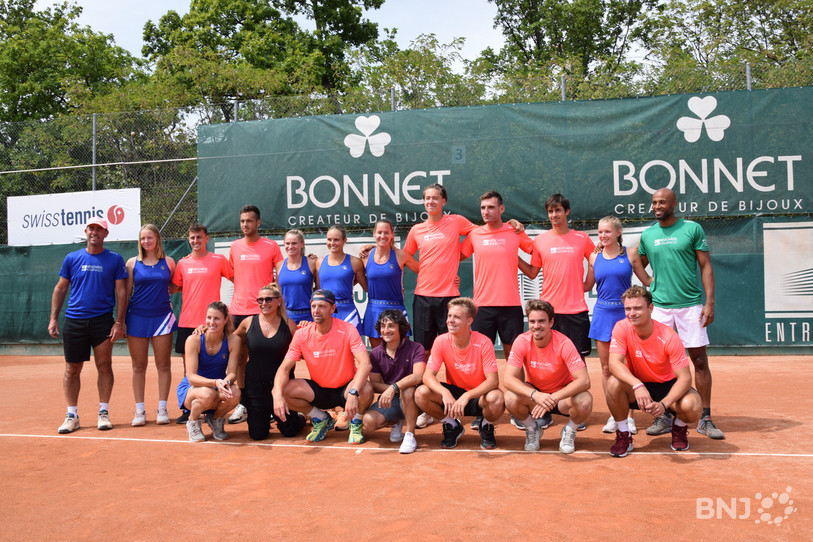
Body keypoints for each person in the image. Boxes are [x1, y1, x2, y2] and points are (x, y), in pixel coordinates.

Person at [637, 188, 724, 440]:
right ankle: (665, 414)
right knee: (659, 364)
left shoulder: (692, 229)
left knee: (699, 360)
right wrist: (648, 282)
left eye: (662, 202)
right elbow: (637, 261)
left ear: (674, 204)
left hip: (690, 306)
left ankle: (705, 417)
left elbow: (705, 265)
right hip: (660, 308)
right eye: (654, 202)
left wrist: (709, 302)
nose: (656, 206)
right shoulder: (648, 234)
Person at [518, 193, 594, 431]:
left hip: (576, 310)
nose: (554, 215)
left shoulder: (582, 238)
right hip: (548, 312)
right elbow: (532, 272)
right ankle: (545, 411)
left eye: (558, 210)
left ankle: (575, 411)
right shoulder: (540, 240)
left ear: (567, 212)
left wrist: (588, 282)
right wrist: (513, 256)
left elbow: (596, 261)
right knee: (544, 363)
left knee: (577, 363)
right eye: (550, 211)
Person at [460, 190, 533, 429]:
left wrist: (520, 229)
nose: (486, 211)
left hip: (510, 305)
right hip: (482, 307)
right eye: (483, 208)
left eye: (491, 207)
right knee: (482, 360)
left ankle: (519, 408)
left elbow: (535, 250)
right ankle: (483, 409)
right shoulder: (475, 234)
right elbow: (454, 255)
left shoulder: (514, 231)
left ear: (501, 209)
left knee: (515, 358)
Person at [49, 218, 128, 433]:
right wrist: (53, 318)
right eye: (91, 228)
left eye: (99, 229)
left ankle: (103, 412)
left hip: (102, 321)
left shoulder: (115, 259)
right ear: (86, 231)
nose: (94, 232)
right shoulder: (72, 258)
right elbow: (60, 288)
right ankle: (72, 415)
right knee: (72, 369)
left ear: (105, 234)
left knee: (104, 365)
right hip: (74, 321)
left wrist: (119, 322)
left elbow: (121, 291)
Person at [606, 286, 702, 457]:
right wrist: (637, 385)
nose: (632, 313)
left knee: (693, 405)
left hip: (668, 386)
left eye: (637, 308)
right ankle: (623, 435)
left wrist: (664, 404)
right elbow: (613, 363)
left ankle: (679, 427)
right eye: (628, 309)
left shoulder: (669, 336)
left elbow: (685, 378)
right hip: (639, 386)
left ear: (650, 308)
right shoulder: (621, 327)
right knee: (613, 383)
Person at [272, 289, 374, 445]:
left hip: (346, 389)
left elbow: (365, 363)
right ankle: (321, 419)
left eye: (322, 306)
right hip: (319, 390)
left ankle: (356, 421)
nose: (316, 310)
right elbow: (284, 368)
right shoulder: (301, 334)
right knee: (284, 389)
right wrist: (277, 394)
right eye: (313, 306)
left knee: (365, 389)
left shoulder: (347, 329)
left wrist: (353, 393)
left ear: (332, 309)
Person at [414, 298, 505, 450]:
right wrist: (444, 393)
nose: (450, 320)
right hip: (454, 395)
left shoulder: (483, 342)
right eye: (449, 316)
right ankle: (451, 425)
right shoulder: (441, 341)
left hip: (479, 395)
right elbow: (427, 376)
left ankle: (486, 426)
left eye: (456, 317)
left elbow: (493, 381)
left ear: (469, 321)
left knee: (496, 398)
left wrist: (468, 396)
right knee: (421, 393)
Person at [504, 300, 593, 453]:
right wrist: (536, 395)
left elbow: (584, 381)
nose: (536, 326)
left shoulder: (564, 343)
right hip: (536, 396)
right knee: (510, 397)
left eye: (541, 321)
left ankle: (570, 430)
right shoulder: (521, 341)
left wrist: (554, 397)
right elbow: (508, 379)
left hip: (562, 396)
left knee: (585, 400)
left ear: (551, 322)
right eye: (532, 321)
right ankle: (533, 428)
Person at [584, 216, 645, 435]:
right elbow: (587, 285)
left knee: (626, 367)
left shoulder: (631, 254)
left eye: (607, 231)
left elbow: (647, 281)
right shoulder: (594, 256)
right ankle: (614, 414)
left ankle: (629, 417)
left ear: (618, 232)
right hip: (602, 315)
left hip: (625, 315)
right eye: (600, 232)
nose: (603, 235)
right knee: (606, 368)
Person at [227, 205, 283, 425]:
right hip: (238, 311)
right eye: (242, 221)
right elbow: (234, 276)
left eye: (249, 221)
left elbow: (281, 276)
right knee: (240, 358)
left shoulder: (271, 246)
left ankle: (270, 402)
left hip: (263, 311)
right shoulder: (234, 246)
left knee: (267, 358)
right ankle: (243, 403)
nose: (245, 224)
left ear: (258, 223)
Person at [171, 223, 232, 423]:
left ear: (207, 238)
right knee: (189, 369)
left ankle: (215, 405)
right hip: (188, 321)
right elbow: (175, 287)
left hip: (212, 322)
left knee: (216, 365)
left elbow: (236, 277)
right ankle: (189, 407)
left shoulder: (218, 260)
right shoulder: (182, 263)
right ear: (189, 240)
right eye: (192, 238)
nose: (195, 241)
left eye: (199, 237)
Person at [234, 284, 305, 440]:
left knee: (290, 431)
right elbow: (229, 339)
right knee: (258, 434)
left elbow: (307, 349)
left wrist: (310, 328)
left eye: (268, 299)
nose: (264, 303)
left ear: (278, 301)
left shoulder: (289, 325)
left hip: (282, 388)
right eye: (260, 300)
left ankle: (300, 416)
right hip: (255, 388)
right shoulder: (248, 323)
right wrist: (205, 329)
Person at [124, 224, 177, 426]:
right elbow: (126, 293)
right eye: (143, 238)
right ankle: (139, 410)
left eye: (149, 238)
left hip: (162, 318)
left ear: (157, 239)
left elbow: (174, 286)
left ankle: (162, 408)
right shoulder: (132, 263)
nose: (146, 241)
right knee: (138, 366)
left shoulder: (169, 262)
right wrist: (121, 321)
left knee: (163, 365)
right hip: (136, 317)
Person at [362, 310, 426, 454]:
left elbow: (418, 376)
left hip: (416, 399)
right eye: (383, 326)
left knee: (407, 390)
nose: (386, 330)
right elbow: (375, 384)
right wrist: (392, 390)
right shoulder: (376, 353)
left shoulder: (416, 348)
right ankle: (396, 421)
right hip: (392, 399)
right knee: (368, 421)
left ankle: (410, 435)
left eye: (391, 326)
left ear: (400, 328)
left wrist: (394, 388)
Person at [178, 301, 241, 442]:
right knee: (207, 394)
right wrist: (215, 382)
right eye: (209, 318)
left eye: (217, 318)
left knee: (235, 393)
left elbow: (232, 373)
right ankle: (193, 421)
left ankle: (215, 419)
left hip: (218, 386)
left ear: (225, 320)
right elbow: (191, 377)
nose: (211, 322)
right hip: (193, 389)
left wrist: (225, 382)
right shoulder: (193, 340)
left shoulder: (233, 340)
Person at [361, 219, 418, 349]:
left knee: (401, 354)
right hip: (374, 310)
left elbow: (423, 271)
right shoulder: (366, 256)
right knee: (378, 355)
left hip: (396, 310)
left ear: (392, 234)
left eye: (386, 232)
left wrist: (449, 277)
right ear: (374, 234)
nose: (383, 236)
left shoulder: (401, 255)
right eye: (379, 232)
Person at [317, 225, 367, 334]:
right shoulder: (318, 262)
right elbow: (317, 289)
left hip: (348, 312)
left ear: (344, 240)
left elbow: (367, 287)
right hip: (326, 312)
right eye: (329, 239)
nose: (332, 243)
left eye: (336, 240)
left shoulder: (355, 262)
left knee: (352, 344)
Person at [276, 229, 319, 324]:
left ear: (302, 244)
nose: (290, 246)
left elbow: (320, 289)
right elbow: (277, 292)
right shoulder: (279, 265)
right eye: (287, 243)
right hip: (286, 316)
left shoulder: (312, 263)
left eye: (294, 243)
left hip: (308, 316)